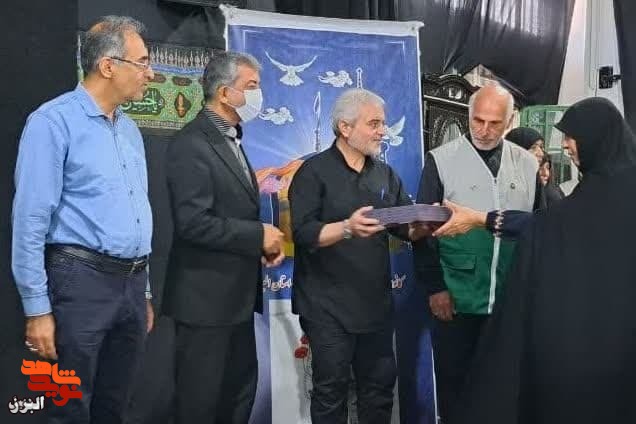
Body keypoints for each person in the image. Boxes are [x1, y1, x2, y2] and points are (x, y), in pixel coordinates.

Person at [450, 97, 636, 424]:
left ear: (595, 137)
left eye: (572, 136)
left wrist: (479, 219)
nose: (565, 145)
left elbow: (548, 227)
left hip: (584, 353)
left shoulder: (594, 201)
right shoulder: (604, 191)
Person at [12, 16, 155, 423]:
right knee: (69, 408)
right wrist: (37, 309)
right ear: (108, 66)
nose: (150, 73)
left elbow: (138, 212)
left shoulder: (130, 130)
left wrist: (144, 291)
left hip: (131, 284)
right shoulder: (53, 122)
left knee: (116, 404)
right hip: (79, 282)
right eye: (142, 62)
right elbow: (30, 220)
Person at [289, 88, 431, 424]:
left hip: (375, 307)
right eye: (374, 123)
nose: (383, 131)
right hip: (326, 308)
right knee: (331, 393)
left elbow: (404, 228)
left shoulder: (385, 174)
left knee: (379, 392)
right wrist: (347, 228)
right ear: (345, 127)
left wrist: (426, 224)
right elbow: (303, 233)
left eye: (382, 123)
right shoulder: (312, 172)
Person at [164, 51, 284, 424]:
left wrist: (258, 246)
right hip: (205, 304)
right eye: (251, 86)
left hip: (236, 301)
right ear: (223, 92)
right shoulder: (192, 143)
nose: (258, 95)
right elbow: (193, 222)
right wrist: (257, 234)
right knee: (200, 404)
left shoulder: (231, 139)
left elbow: (232, 212)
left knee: (238, 396)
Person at [413, 83, 543, 422]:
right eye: (477, 120)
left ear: (510, 121)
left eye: (494, 123)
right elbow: (422, 233)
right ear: (468, 116)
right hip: (457, 298)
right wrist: (435, 288)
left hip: (510, 300)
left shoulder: (528, 164)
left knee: (503, 389)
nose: (484, 130)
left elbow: (540, 229)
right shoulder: (441, 161)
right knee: (456, 387)